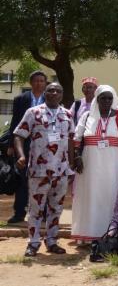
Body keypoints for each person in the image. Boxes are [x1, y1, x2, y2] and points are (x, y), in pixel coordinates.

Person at [13, 83, 75, 257]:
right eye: (50, 90)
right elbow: (19, 135)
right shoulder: (33, 112)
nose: (54, 93)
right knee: (36, 209)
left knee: (56, 209)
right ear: (45, 93)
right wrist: (20, 156)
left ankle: (52, 241)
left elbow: (71, 140)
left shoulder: (68, 114)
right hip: (38, 171)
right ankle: (33, 243)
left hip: (61, 171)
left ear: (62, 95)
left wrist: (70, 164)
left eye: (58, 91)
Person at [72, 85, 118, 243]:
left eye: (109, 98)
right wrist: (77, 157)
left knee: (112, 195)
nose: (106, 101)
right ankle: (89, 234)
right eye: (103, 98)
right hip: (90, 163)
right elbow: (77, 139)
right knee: (90, 194)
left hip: (113, 164)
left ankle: (111, 233)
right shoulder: (87, 116)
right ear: (97, 99)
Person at [6, 70, 48, 224]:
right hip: (24, 144)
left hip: (45, 146)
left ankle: (42, 213)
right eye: (36, 81)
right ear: (31, 83)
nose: (39, 83)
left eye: (42, 81)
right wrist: (11, 144)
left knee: (43, 179)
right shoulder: (20, 99)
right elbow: (15, 122)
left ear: (45, 83)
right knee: (22, 179)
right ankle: (19, 213)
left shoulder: (50, 99)